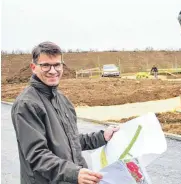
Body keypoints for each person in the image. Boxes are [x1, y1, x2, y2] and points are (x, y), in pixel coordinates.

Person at [11, 41, 119, 184]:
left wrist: (102, 137)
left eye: (57, 65)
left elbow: (71, 141)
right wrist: (74, 173)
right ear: (33, 67)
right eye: (45, 65)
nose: (52, 71)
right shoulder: (27, 105)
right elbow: (37, 155)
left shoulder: (62, 100)